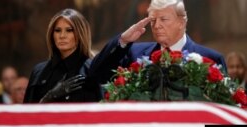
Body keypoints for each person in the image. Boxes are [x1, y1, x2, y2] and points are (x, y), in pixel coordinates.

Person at [90, 0, 227, 85]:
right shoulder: (134, 53)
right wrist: (123, 41)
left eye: (163, 19)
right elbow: (95, 74)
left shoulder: (211, 59)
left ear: (181, 22)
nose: (156, 26)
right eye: (153, 20)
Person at [23, 8, 101, 103]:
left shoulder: (92, 69)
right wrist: (49, 96)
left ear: (81, 33)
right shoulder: (38, 71)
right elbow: (27, 113)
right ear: (52, 34)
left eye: (69, 30)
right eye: (57, 30)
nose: (62, 36)